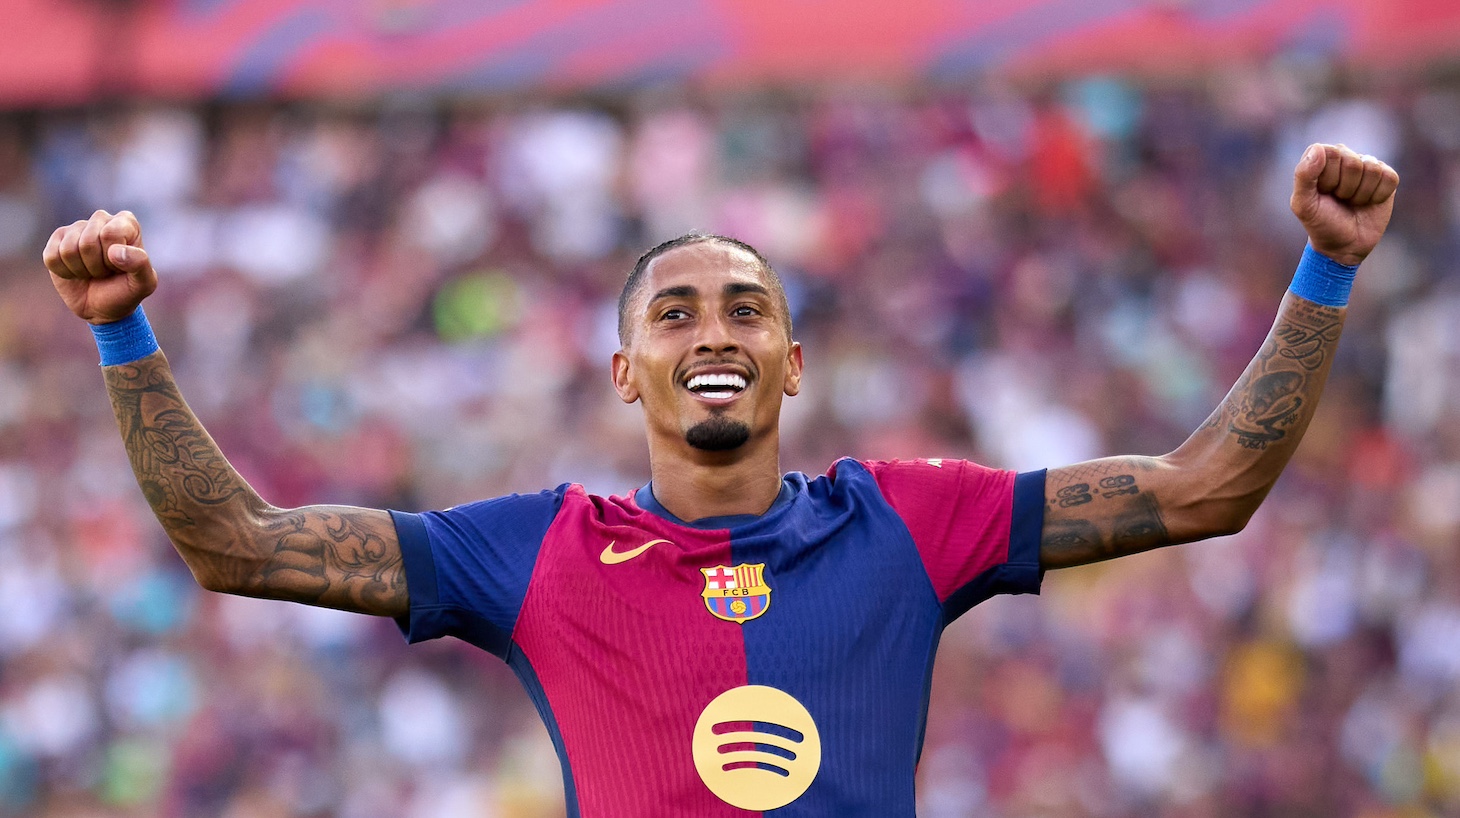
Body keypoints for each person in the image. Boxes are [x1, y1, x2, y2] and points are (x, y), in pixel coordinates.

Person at [43, 142, 1397, 816]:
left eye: (745, 307)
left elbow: (1207, 485)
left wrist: (1327, 264)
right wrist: (121, 326)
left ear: (792, 361)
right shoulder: (538, 550)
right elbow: (236, 540)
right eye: (675, 311)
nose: (714, 332)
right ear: (625, 371)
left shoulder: (910, 521)